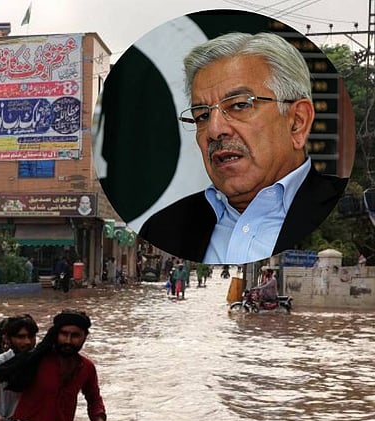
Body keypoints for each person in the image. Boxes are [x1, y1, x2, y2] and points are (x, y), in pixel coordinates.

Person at [138, 32, 347, 264]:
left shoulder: (343, 211)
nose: (214, 130)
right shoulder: (163, 228)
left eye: (239, 105)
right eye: (202, 115)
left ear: (297, 121)